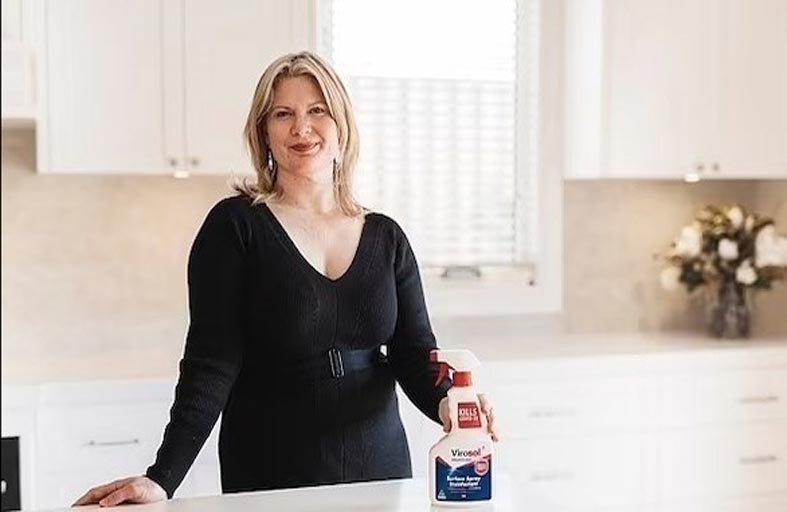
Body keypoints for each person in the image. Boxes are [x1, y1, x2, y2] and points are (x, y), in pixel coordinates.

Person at [74, 51, 498, 507]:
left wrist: (450, 404)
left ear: (342, 126)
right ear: (263, 133)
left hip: (379, 473)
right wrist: (163, 478)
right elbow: (210, 365)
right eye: (283, 114)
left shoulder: (386, 237)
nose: (301, 128)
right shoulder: (235, 228)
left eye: (317, 111)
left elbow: (414, 355)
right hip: (270, 474)